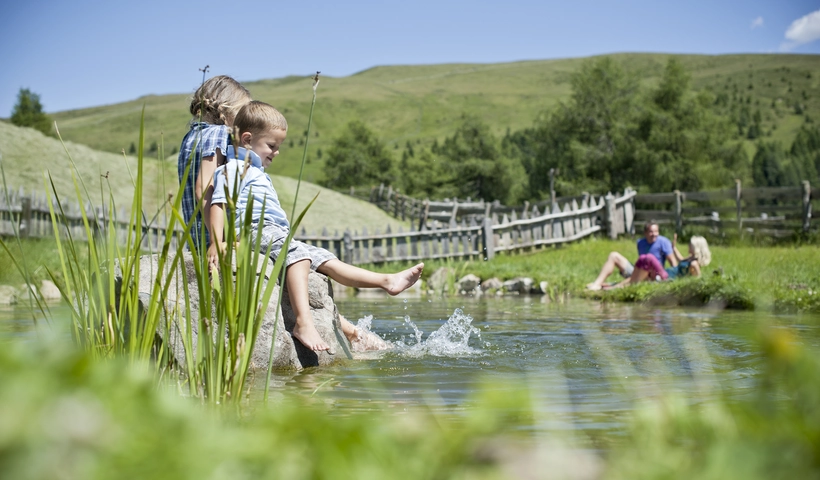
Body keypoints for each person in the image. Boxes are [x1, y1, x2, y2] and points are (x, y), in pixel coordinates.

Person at [207, 101, 424, 352]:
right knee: (299, 257)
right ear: (246, 139)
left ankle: (386, 281)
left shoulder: (255, 171)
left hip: (275, 233)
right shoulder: (232, 169)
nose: (276, 153)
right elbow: (218, 203)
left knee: (324, 258)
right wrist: (216, 241)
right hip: (255, 229)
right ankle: (303, 322)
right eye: (272, 146)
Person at [177, 75, 252, 251]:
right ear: (228, 109)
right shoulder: (219, 133)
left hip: (196, 237)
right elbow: (204, 186)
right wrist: (219, 239)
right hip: (215, 238)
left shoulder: (190, 137)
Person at [585, 221, 677, 291]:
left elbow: (673, 262)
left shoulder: (664, 242)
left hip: (653, 274)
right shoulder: (640, 243)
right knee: (614, 255)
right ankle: (597, 284)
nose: (654, 234)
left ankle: (615, 287)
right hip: (639, 270)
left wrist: (672, 279)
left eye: (656, 231)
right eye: (651, 232)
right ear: (645, 233)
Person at [604, 234, 711, 288]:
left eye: (690, 245)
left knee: (648, 259)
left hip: (667, 278)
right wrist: (674, 247)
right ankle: (613, 286)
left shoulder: (694, 264)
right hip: (666, 273)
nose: (688, 246)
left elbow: (698, 280)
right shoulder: (690, 259)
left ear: (697, 247)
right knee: (643, 276)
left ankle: (616, 287)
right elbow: (680, 260)